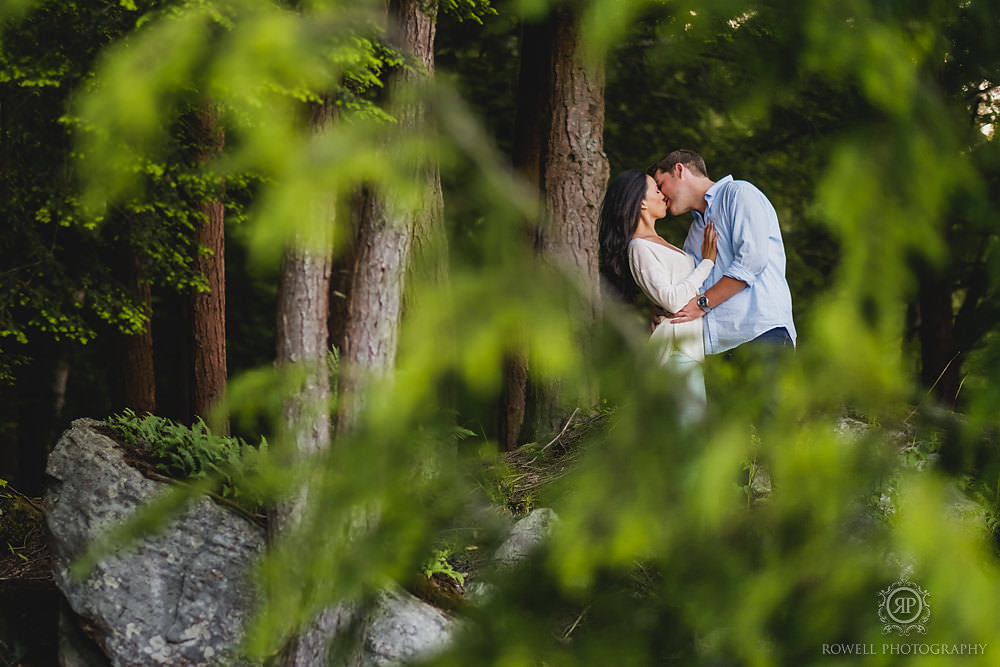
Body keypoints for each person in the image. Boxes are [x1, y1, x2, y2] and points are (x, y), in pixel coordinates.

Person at [649, 150, 796, 358]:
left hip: (760, 334)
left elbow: (752, 260)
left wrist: (703, 303)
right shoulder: (694, 234)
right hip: (718, 349)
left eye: (660, 184)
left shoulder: (739, 193)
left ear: (679, 170)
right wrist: (665, 308)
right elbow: (690, 288)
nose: (661, 195)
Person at [598, 169, 718, 424]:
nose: (663, 196)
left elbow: (668, 293)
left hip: (687, 351)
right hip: (675, 354)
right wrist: (706, 263)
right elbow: (672, 300)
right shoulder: (639, 247)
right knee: (689, 440)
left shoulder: (657, 242)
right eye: (656, 190)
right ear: (641, 202)